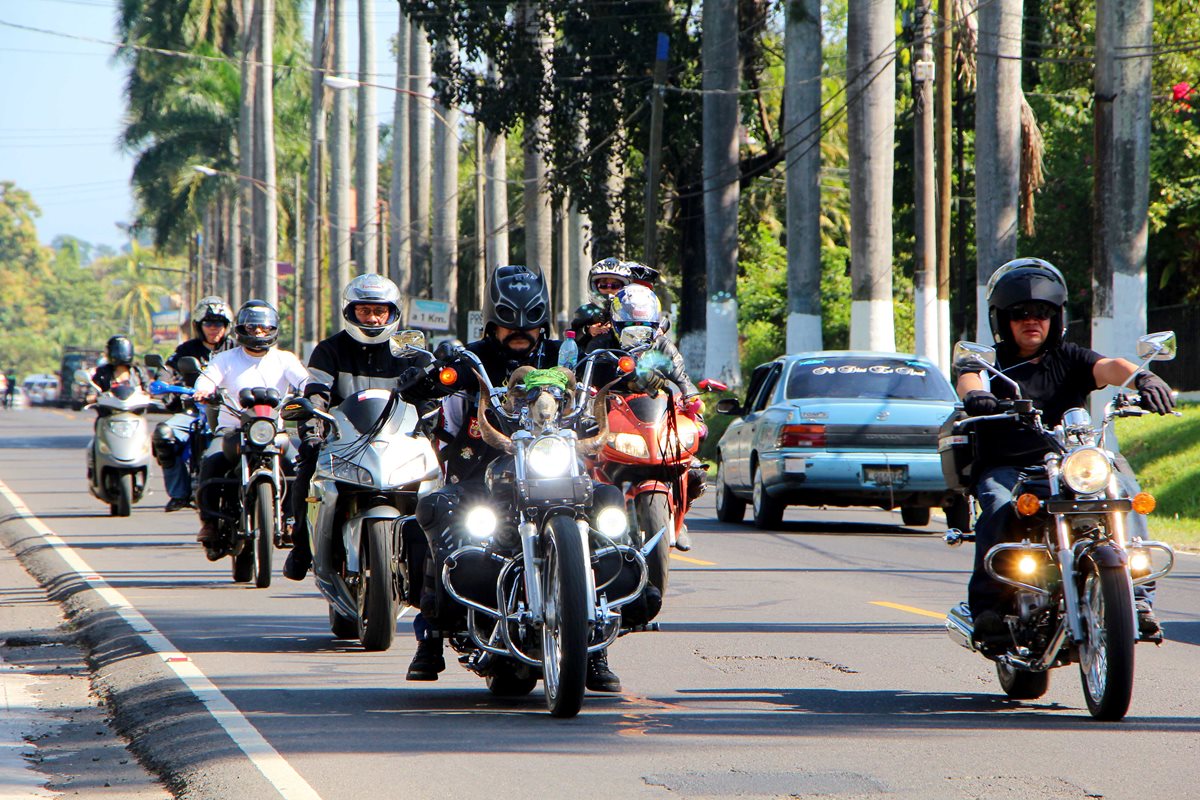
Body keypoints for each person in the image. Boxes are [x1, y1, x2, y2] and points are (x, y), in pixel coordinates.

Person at [406, 264, 626, 693]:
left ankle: (595, 647)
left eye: (529, 323)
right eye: (508, 323)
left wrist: (635, 371)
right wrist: (424, 379)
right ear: (492, 321)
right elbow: (437, 380)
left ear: (543, 319)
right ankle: (430, 635)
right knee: (438, 509)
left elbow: (605, 369)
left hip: (557, 470)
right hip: (485, 472)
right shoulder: (472, 358)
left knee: (609, 504)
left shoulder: (566, 354)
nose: (519, 332)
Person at [956, 258, 1176, 646]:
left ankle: (1137, 600)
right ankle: (988, 609)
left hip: (1073, 462)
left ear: (1056, 318)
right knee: (997, 504)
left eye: (1042, 313)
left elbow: (1109, 367)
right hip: (1011, 466)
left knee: (1124, 491)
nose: (1032, 320)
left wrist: (1143, 376)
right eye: (1021, 313)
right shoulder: (994, 362)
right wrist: (976, 394)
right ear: (1003, 320)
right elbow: (969, 374)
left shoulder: (1071, 357)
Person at [283, 274, 454, 581]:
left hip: (401, 441)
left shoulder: (410, 350)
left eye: (380, 311)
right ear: (351, 312)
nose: (373, 318)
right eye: (364, 311)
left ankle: (443, 559)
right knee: (306, 465)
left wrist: (429, 430)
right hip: (345, 440)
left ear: (393, 313)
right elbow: (316, 395)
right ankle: (301, 547)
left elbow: (428, 398)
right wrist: (311, 431)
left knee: (445, 477)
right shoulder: (330, 349)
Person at [191, 301, 309, 556]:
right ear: (242, 328)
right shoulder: (225, 358)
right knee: (210, 463)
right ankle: (210, 523)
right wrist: (204, 389)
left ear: (274, 330)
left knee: (300, 467)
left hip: (273, 432)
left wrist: (312, 391)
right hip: (232, 431)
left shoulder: (285, 359)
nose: (258, 333)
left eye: (264, 328)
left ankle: (291, 520)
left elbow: (305, 380)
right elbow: (208, 377)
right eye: (252, 327)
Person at [153, 297, 236, 512]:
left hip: (232, 411)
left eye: (219, 323)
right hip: (195, 410)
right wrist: (163, 383)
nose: (214, 328)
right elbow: (167, 370)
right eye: (208, 323)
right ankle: (179, 493)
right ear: (199, 325)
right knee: (164, 434)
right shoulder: (187, 349)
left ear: (227, 325)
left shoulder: (237, 349)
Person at [568, 258, 631, 349]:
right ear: (594, 286)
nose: (609, 289)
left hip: (624, 358)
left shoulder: (630, 311)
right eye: (603, 285)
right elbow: (571, 338)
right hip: (591, 359)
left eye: (615, 285)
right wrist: (588, 330)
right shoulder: (585, 311)